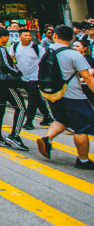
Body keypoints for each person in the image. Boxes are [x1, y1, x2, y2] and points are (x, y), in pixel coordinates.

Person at [37, 24, 94, 170]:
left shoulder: (47, 51)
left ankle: (47, 138)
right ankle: (83, 160)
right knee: (81, 127)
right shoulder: (73, 54)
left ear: (55, 35)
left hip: (53, 95)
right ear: (72, 38)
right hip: (74, 96)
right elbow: (87, 76)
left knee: (62, 119)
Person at [0, 26, 29, 150]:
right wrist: (18, 72)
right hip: (4, 83)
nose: (7, 38)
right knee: (21, 108)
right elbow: (5, 65)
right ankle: (14, 135)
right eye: (7, 36)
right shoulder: (1, 50)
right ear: (3, 37)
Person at [12, 28, 52, 130]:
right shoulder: (15, 46)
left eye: (29, 36)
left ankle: (29, 121)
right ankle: (47, 116)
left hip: (35, 75)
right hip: (22, 76)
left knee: (32, 98)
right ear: (20, 36)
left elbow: (44, 61)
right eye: (25, 35)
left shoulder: (37, 47)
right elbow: (11, 58)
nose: (28, 37)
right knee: (36, 97)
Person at [72, 40, 94, 104]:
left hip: (87, 87)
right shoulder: (74, 59)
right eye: (73, 46)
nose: (75, 48)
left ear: (85, 48)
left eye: (77, 46)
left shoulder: (88, 59)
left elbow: (89, 74)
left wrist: (77, 80)